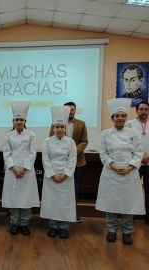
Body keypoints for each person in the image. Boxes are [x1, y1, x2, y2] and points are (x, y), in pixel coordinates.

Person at [96, 98, 145, 245]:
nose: (120, 118)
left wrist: (130, 167)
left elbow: (138, 153)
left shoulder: (134, 133)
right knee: (111, 202)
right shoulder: (105, 134)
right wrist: (114, 167)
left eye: (123, 116)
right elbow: (103, 153)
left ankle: (127, 231)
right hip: (111, 173)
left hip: (129, 174)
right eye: (117, 116)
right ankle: (111, 229)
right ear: (112, 118)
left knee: (128, 203)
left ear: (126, 117)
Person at [2, 100, 40, 236]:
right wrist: (14, 168)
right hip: (12, 172)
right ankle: (14, 223)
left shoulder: (31, 135)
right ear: (13, 121)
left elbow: (32, 153)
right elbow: (6, 153)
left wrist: (23, 168)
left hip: (26, 172)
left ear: (25, 121)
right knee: (14, 199)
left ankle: (24, 224)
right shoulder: (8, 136)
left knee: (25, 199)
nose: (19, 122)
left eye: (21, 120)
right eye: (17, 119)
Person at [41, 106, 77, 239]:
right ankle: (53, 226)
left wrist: (65, 174)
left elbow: (72, 159)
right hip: (51, 176)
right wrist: (52, 174)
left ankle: (64, 227)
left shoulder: (71, 142)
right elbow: (45, 159)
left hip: (66, 177)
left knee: (64, 202)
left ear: (65, 128)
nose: (60, 129)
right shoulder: (47, 142)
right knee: (52, 201)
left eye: (62, 127)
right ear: (53, 128)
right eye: (57, 127)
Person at [49, 101, 88, 223]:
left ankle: (73, 214)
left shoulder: (81, 124)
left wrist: (73, 152)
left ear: (75, 111)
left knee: (73, 188)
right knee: (57, 190)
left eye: (72, 109)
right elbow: (51, 141)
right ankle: (56, 215)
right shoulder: (55, 124)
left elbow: (84, 141)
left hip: (75, 162)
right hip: (57, 164)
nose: (70, 111)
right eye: (68, 109)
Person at [125, 101, 149, 225]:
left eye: (146, 109)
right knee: (132, 190)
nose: (143, 112)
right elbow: (127, 145)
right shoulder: (129, 124)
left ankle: (148, 217)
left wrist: (147, 156)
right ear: (137, 111)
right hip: (135, 163)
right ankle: (130, 217)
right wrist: (139, 158)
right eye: (141, 109)